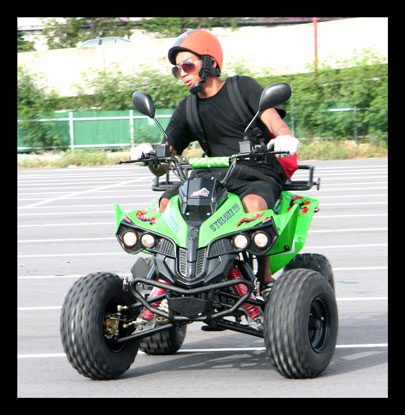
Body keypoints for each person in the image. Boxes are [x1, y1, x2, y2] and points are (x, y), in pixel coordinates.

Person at [132, 29, 299, 299]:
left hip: (256, 171)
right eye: (177, 70)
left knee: (253, 205)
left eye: (187, 66)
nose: (182, 74)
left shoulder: (242, 87)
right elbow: (165, 159)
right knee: (166, 203)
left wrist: (285, 138)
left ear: (210, 62)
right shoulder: (187, 108)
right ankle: (170, 277)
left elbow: (274, 121)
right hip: (214, 175)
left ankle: (265, 277)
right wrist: (151, 157)